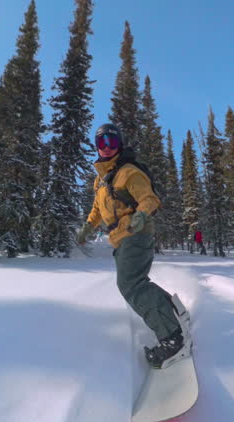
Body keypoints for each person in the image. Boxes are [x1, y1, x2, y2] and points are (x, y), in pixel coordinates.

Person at [76, 123, 188, 369]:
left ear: (119, 144)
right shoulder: (101, 180)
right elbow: (97, 209)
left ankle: (173, 340)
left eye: (111, 142)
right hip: (120, 237)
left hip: (135, 232)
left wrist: (141, 215)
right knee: (135, 282)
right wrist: (87, 227)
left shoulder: (129, 172)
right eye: (101, 142)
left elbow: (149, 198)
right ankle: (172, 312)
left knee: (131, 284)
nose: (106, 147)